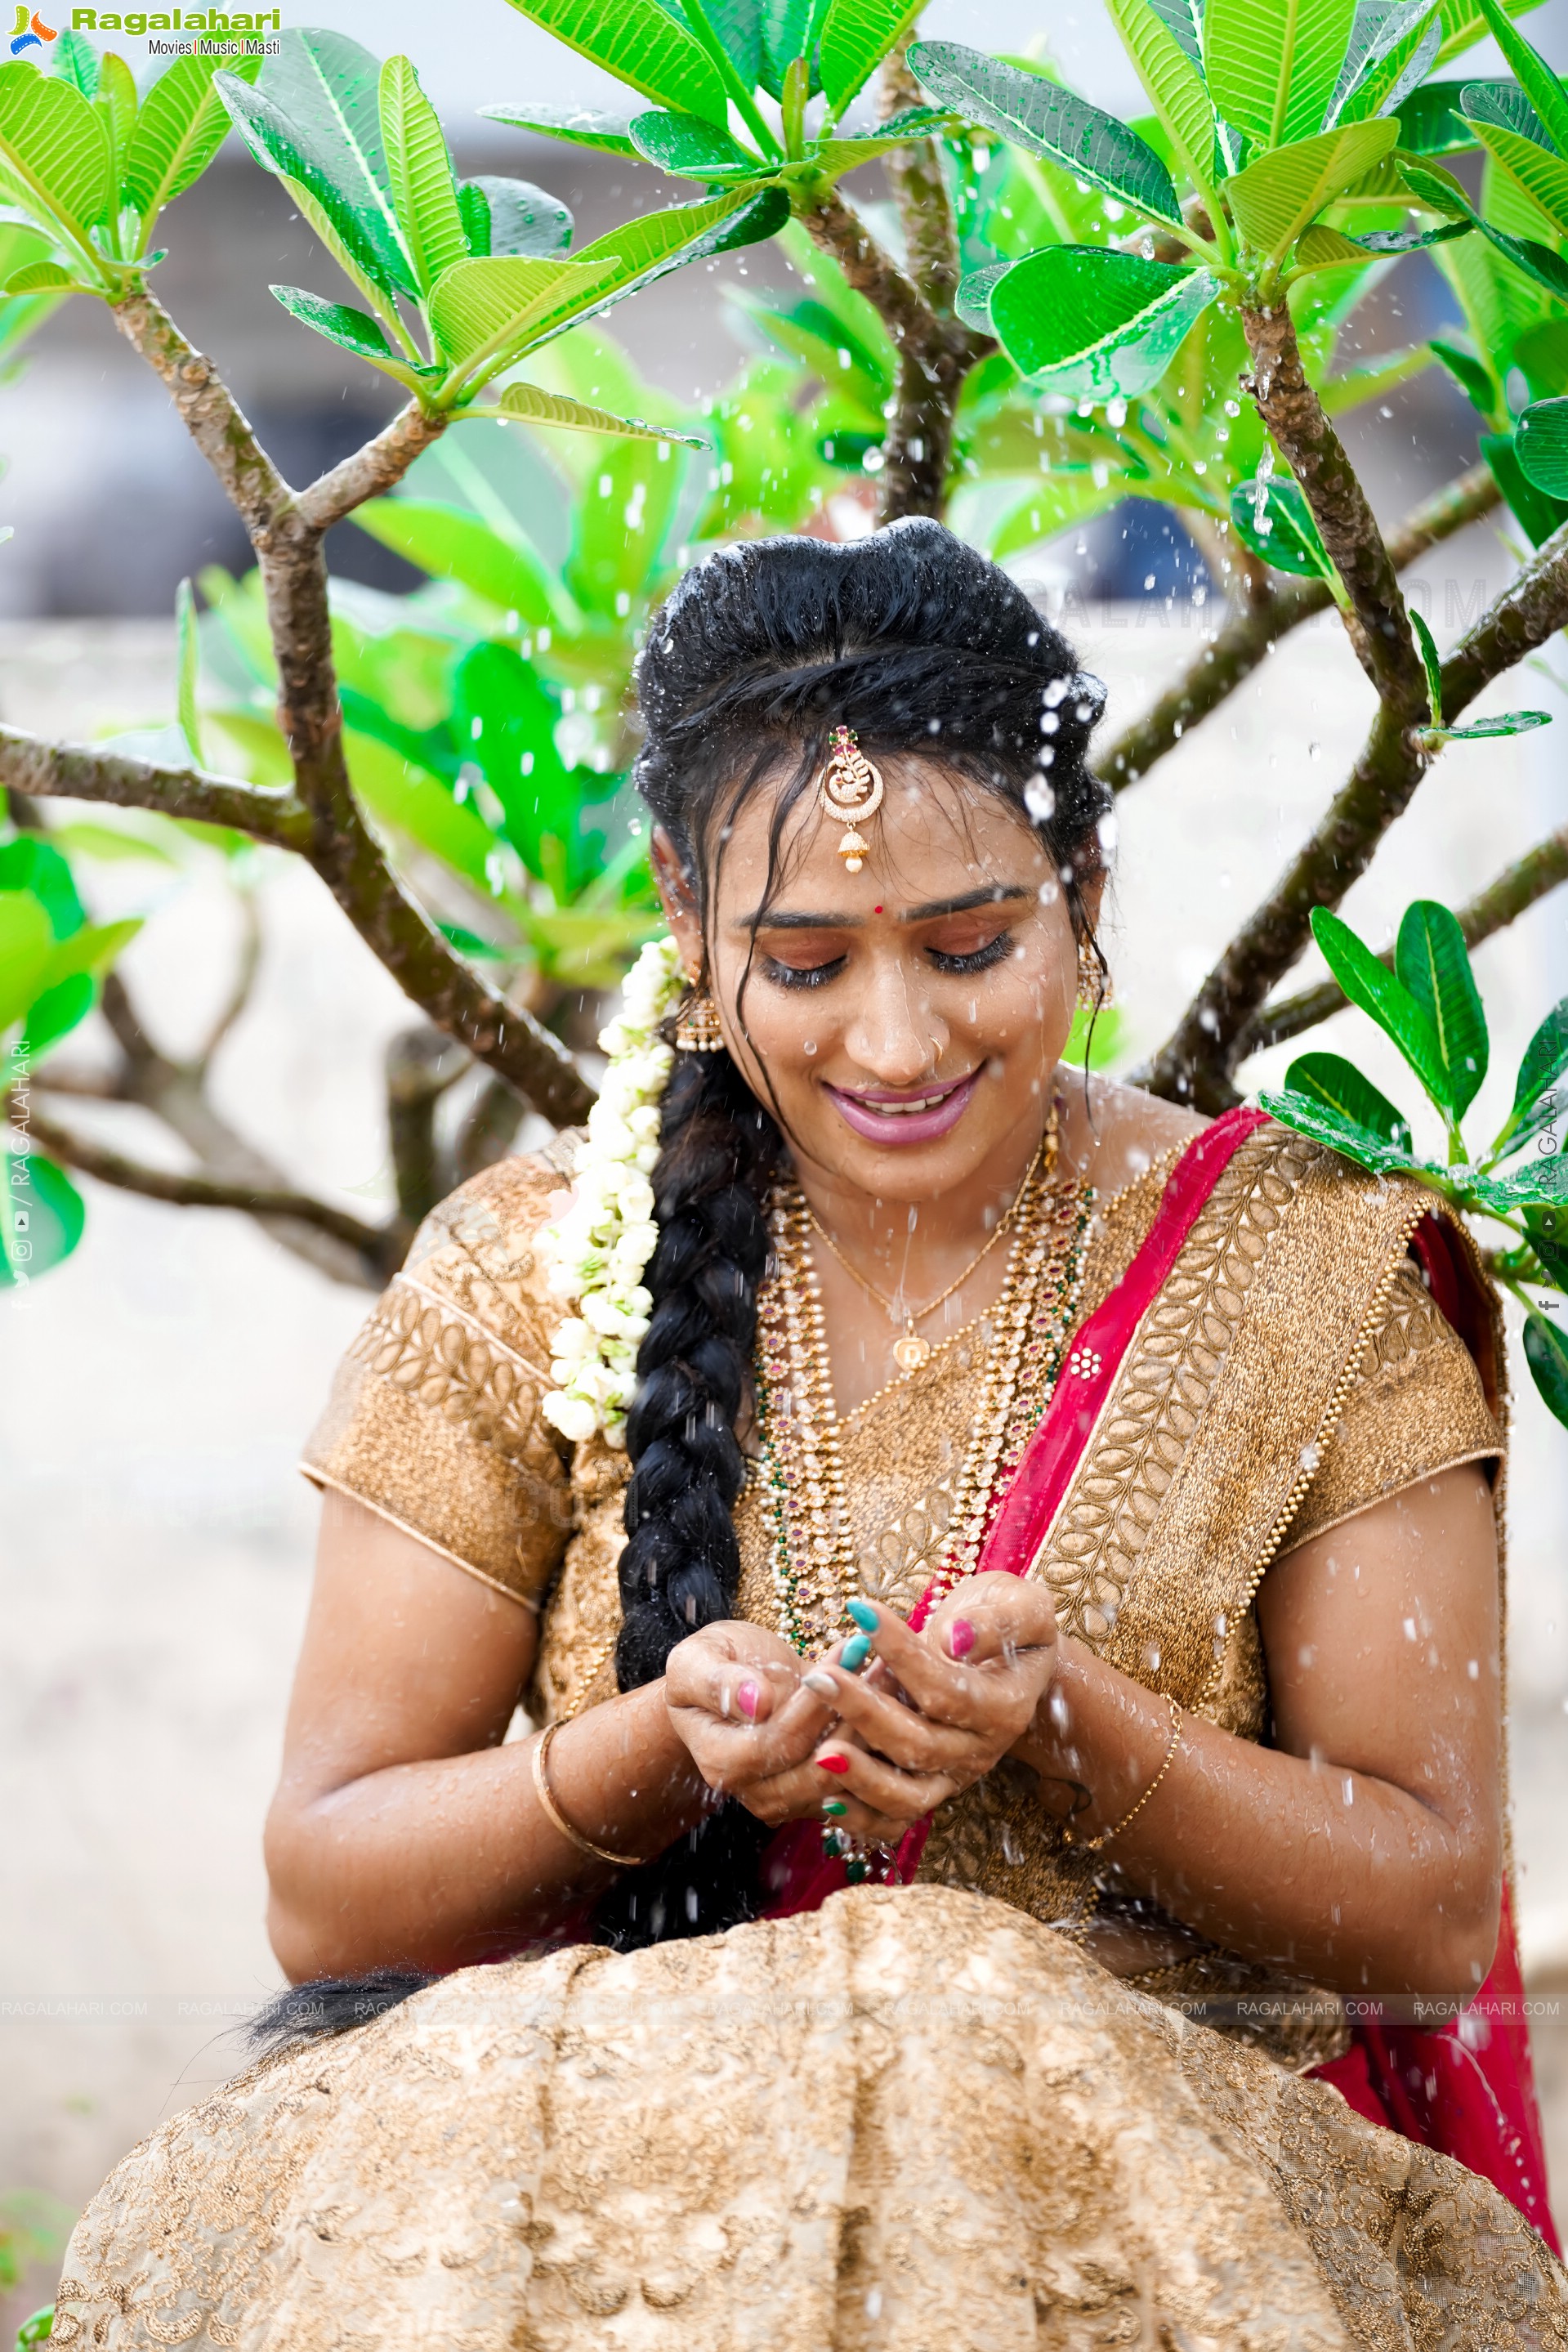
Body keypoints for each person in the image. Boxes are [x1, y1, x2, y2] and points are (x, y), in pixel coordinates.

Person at [54, 523, 1566, 2350]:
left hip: (1151, 2224)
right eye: (808, 959)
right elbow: (328, 1881)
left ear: (1087, 887)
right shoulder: (534, 1276)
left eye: (970, 940)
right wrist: (649, 1753)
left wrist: (1074, 1722)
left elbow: (1422, 1904)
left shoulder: (1309, 1273)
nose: (899, 1034)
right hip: (609, 2221)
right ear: (690, 933)